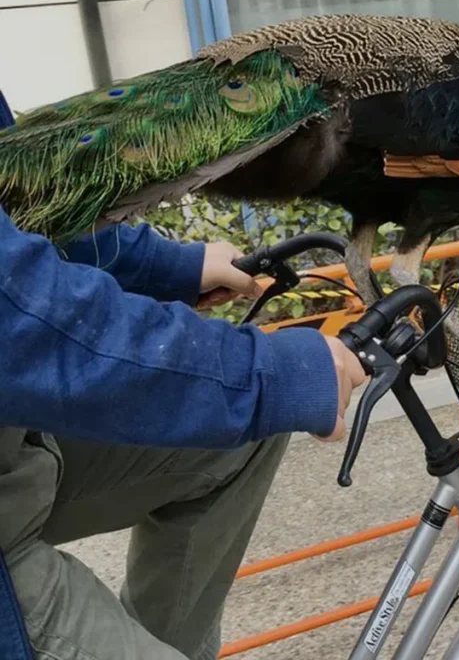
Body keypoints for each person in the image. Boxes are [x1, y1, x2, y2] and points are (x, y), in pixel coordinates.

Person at [0, 92, 368, 660]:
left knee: (241, 441)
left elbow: (28, 210)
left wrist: (169, 265)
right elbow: (20, 326)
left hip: (18, 447)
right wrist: (266, 374)